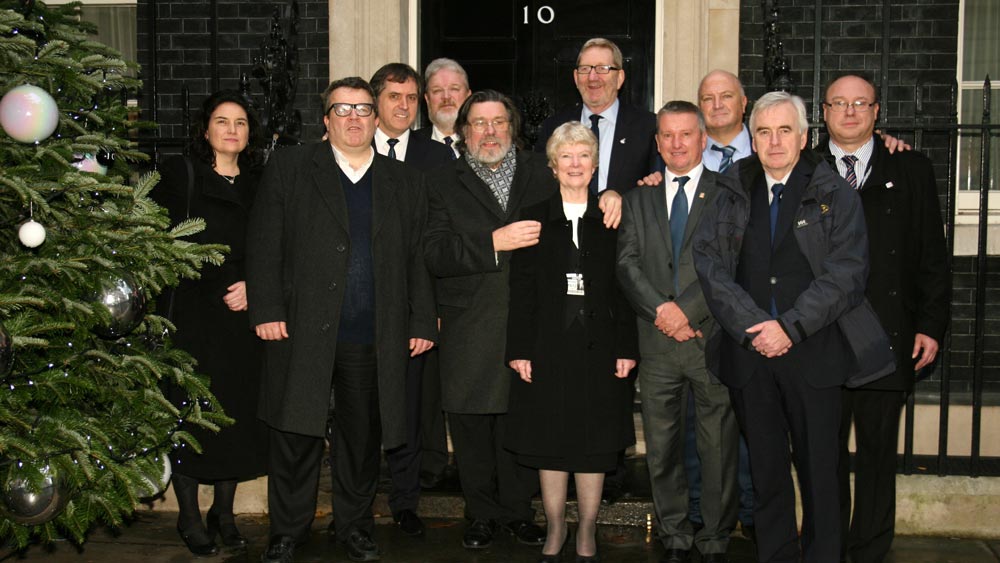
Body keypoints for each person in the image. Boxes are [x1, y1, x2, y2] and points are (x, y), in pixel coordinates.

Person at [692, 91, 894, 563]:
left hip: (814, 353)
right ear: (752, 138)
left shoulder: (833, 192)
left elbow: (847, 274)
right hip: (751, 354)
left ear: (804, 137)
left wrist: (791, 327)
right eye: (764, 131)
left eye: (785, 130)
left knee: (821, 472)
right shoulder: (730, 188)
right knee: (765, 474)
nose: (774, 141)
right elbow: (710, 266)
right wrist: (754, 326)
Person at [247, 77, 436, 563]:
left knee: (361, 436)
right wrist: (266, 309)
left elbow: (417, 256)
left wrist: (421, 321)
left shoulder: (405, 181)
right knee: (295, 433)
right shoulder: (291, 167)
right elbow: (265, 243)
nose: (354, 118)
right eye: (342, 109)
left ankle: (352, 525)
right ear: (326, 119)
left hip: (372, 332)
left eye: (363, 109)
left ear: (377, 119)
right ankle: (288, 529)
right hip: (300, 328)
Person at [424, 89, 622, 550]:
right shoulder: (440, 182)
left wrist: (613, 194)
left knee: (525, 420)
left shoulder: (542, 170)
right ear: (463, 131)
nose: (489, 132)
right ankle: (480, 514)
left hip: (539, 322)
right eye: (478, 123)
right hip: (471, 318)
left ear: (512, 128)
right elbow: (433, 251)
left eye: (498, 122)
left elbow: (582, 196)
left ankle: (517, 511)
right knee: (472, 424)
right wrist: (494, 241)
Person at [816, 74, 950, 563]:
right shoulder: (805, 167)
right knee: (823, 454)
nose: (849, 112)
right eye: (839, 103)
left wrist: (930, 325)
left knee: (877, 454)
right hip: (822, 336)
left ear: (876, 112)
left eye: (860, 103)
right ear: (824, 112)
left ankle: (870, 550)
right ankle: (827, 545)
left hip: (887, 335)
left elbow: (931, 255)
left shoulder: (910, 167)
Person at [505, 121, 638, 562]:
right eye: (567, 156)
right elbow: (521, 288)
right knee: (550, 440)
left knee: (594, 443)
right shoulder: (534, 216)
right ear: (553, 166)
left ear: (595, 163)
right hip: (547, 347)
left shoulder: (613, 216)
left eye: (583, 155)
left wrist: (626, 348)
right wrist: (519, 349)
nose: (575, 163)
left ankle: (587, 529)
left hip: (600, 349)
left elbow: (625, 286)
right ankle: (557, 525)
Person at [534, 36, 658, 505]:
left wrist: (621, 195)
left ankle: (615, 468)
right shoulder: (552, 124)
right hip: (565, 268)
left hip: (618, 263)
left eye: (604, 69)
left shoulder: (648, 127)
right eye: (585, 69)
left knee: (610, 389)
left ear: (621, 76)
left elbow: (659, 183)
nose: (593, 77)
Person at [617, 101, 739, 563]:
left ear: (702, 139)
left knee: (717, 448)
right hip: (657, 344)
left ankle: (713, 537)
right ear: (657, 142)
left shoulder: (728, 195)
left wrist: (684, 312)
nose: (676, 143)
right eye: (667, 135)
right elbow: (626, 265)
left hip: (708, 339)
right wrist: (660, 311)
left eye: (686, 134)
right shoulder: (638, 198)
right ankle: (674, 534)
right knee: (662, 447)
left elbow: (729, 265)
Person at [152, 90, 268, 557]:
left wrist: (255, 285)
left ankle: (225, 511)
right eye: (223, 121)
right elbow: (164, 241)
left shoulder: (262, 181)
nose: (232, 130)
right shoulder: (180, 175)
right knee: (190, 411)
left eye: (240, 122)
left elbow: (276, 242)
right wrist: (224, 279)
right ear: (206, 129)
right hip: (194, 315)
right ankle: (188, 515)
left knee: (234, 416)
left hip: (243, 319)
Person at [416, 57, 471, 159]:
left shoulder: (484, 143)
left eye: (454, 89)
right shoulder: (409, 146)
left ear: (468, 96)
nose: (446, 97)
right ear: (427, 99)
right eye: (437, 90)